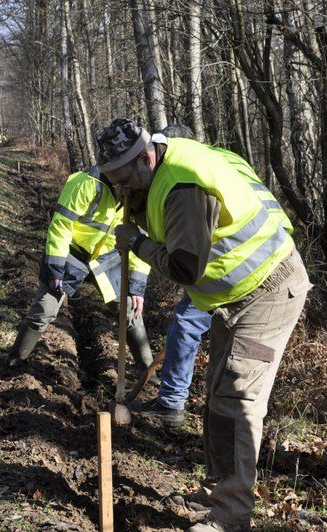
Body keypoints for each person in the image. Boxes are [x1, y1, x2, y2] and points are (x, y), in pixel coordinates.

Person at [96, 118, 311, 532]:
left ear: (145, 158)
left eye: (124, 180)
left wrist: (138, 244)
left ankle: (230, 518)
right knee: (217, 395)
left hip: (268, 289)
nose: (120, 190)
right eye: (112, 182)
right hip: (234, 296)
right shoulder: (161, 164)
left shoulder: (184, 187)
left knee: (237, 400)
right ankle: (215, 495)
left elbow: (185, 267)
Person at [132, 124, 294, 428]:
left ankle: (171, 401)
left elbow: (189, 254)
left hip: (247, 261)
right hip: (263, 250)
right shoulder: (223, 159)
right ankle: (181, 401)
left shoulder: (188, 172)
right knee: (213, 349)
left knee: (186, 321)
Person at [9, 165, 157, 381]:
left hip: (109, 258)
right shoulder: (85, 183)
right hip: (72, 254)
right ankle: (15, 364)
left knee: (131, 311)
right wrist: (55, 267)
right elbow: (61, 226)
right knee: (45, 309)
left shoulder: (139, 193)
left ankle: (148, 375)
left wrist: (137, 286)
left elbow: (140, 240)